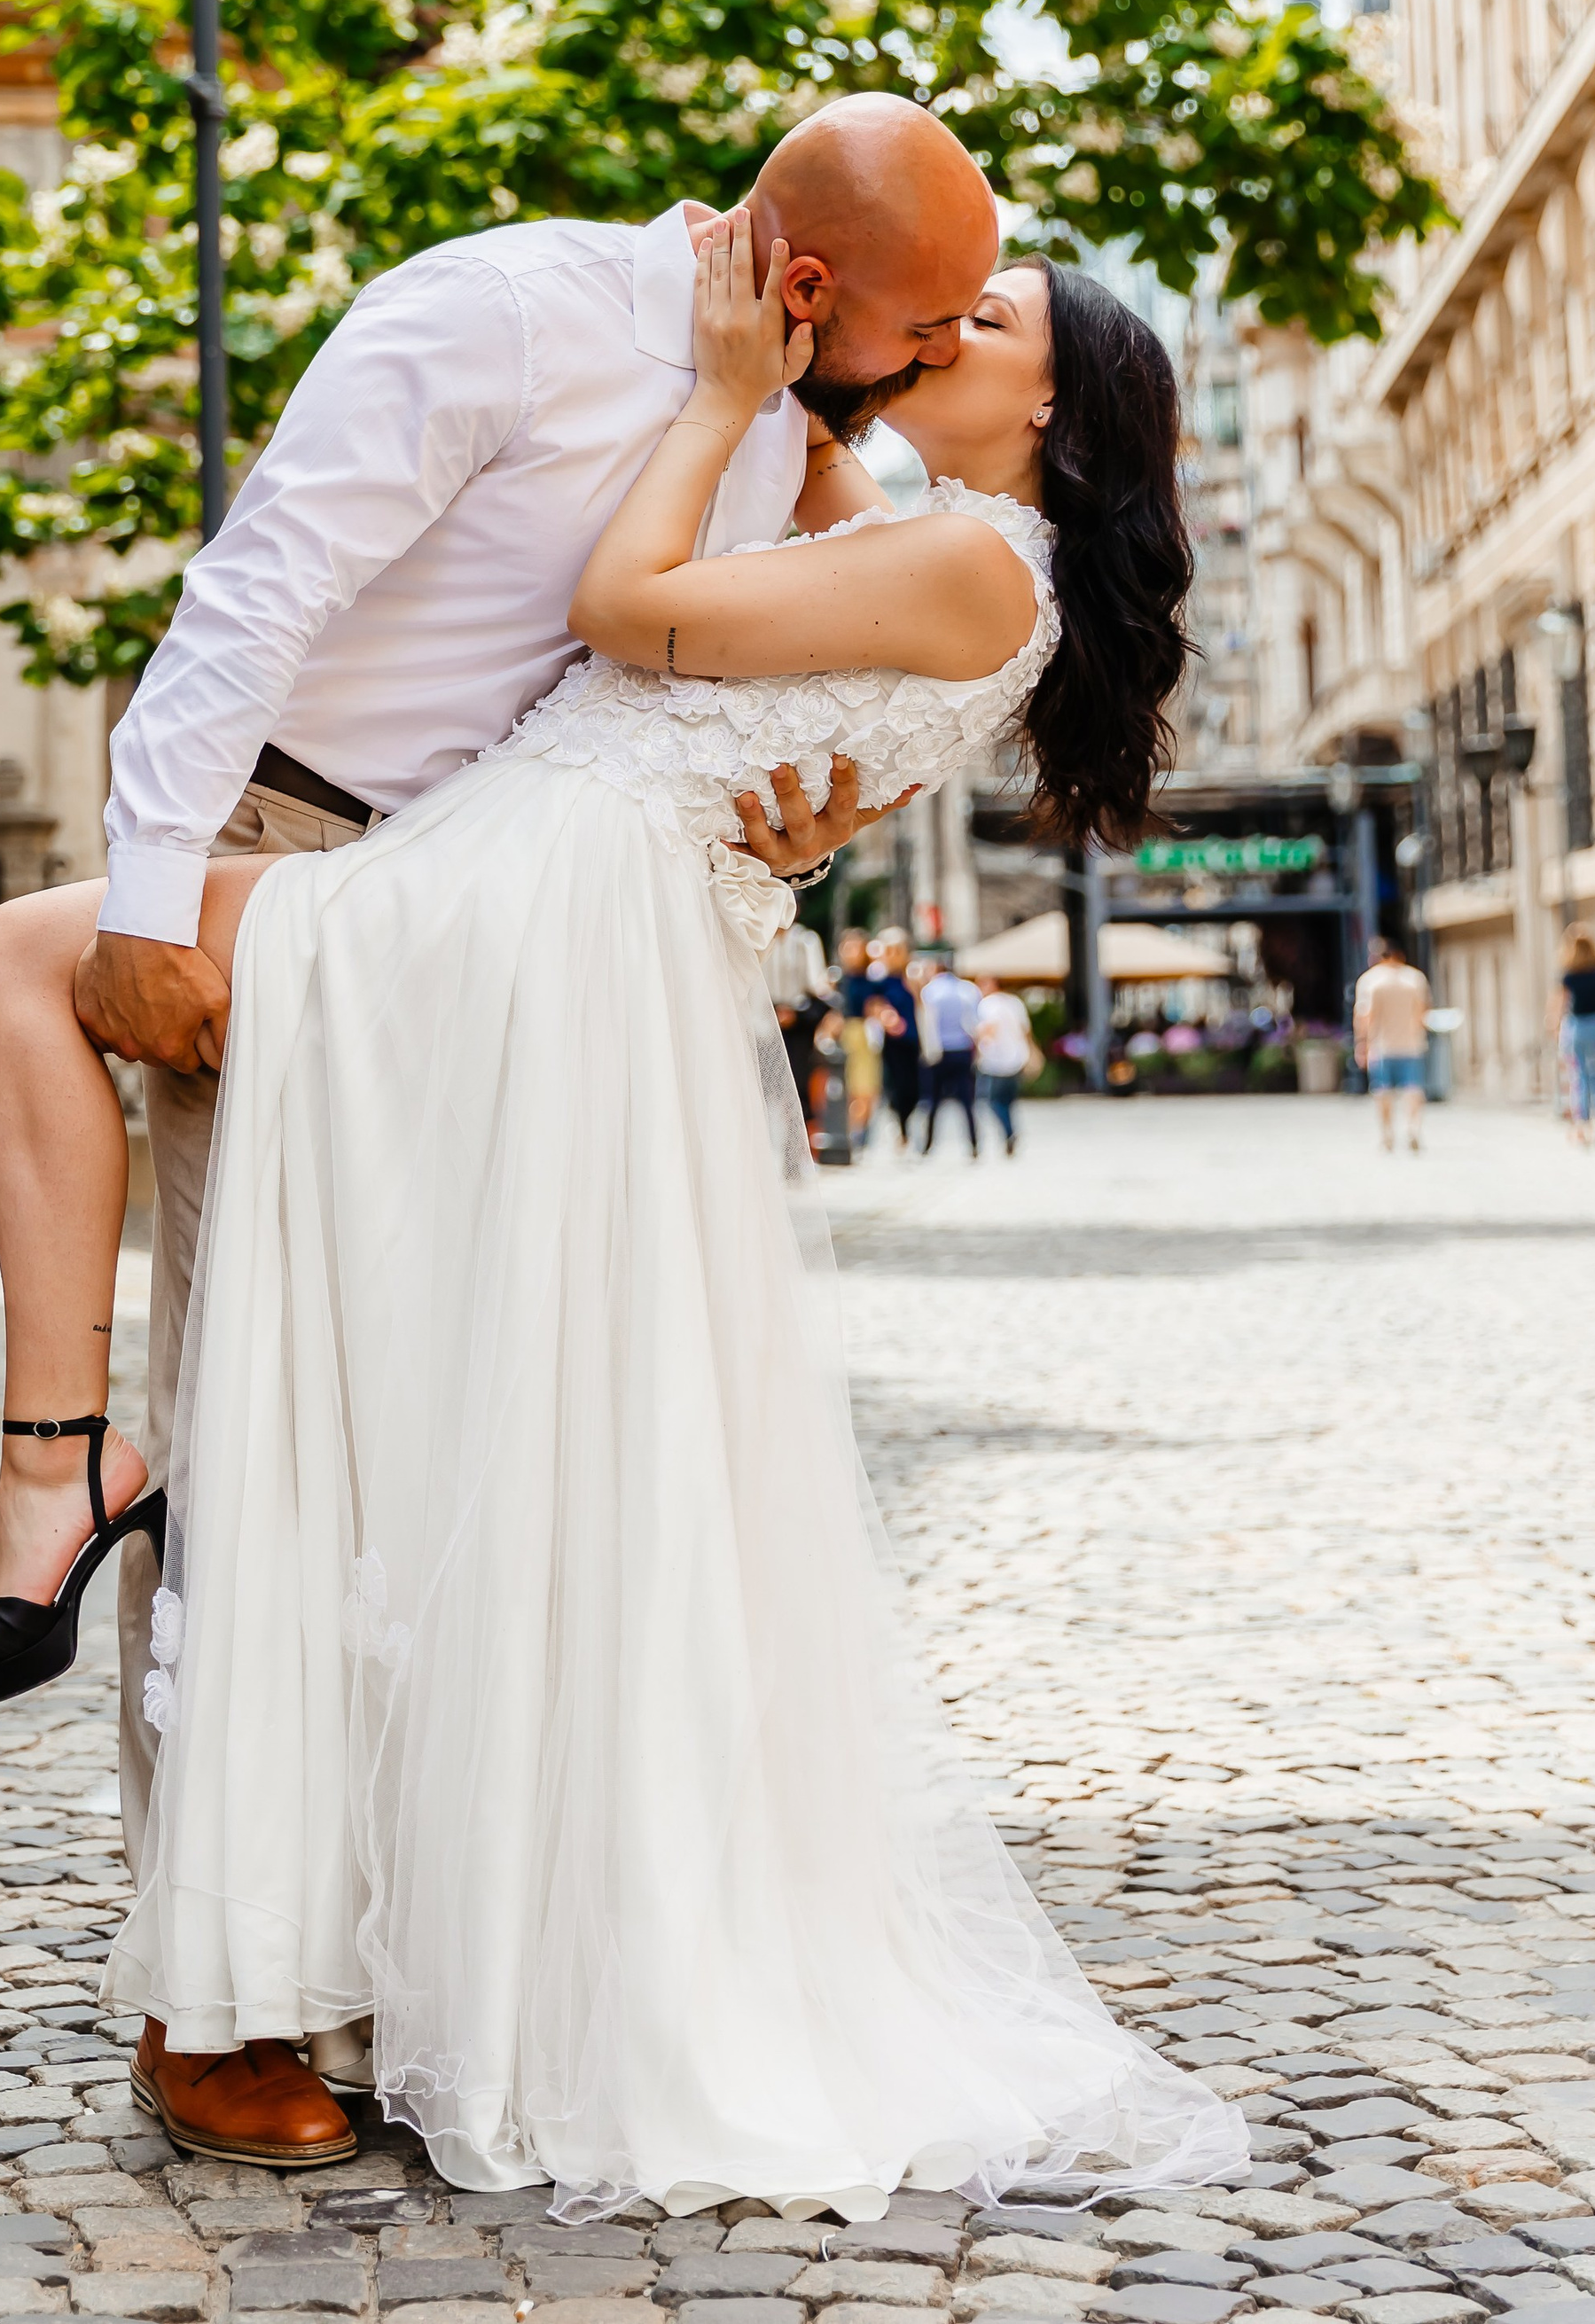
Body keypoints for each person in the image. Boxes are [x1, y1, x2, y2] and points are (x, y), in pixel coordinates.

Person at [90, 219, 1241, 2216]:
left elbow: (635, 607)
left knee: (240, 1265)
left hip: (535, 915)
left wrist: (724, 395)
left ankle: (59, 1504)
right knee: (434, 1415)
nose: (932, 337)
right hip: (558, 917)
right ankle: (280, 1921)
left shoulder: (971, 551)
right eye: (931, 301)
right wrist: (793, 434)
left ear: (1048, 405)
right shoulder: (942, 535)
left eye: (982, 326)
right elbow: (797, 599)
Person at [0, 96, 988, 2156]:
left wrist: (798, 811)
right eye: (923, 319)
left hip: (496, 949)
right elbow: (257, 587)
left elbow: (689, 698)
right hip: (285, 858)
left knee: (443, 1458)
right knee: (257, 1415)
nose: (940, 359)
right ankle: (214, 1997)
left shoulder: (783, 441)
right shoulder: (497, 309)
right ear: (802, 286)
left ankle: (413, 1968)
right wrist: (152, 890)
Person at [1352, 936, 1431, 1150]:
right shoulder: (1415, 978)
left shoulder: (1370, 981)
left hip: (1381, 1045)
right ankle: (1412, 1128)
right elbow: (1423, 1012)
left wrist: (1362, 1045)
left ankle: (1387, 1133)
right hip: (1412, 1044)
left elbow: (1364, 1017)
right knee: (1413, 1089)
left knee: (1382, 1090)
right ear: (1399, 955)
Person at [766, 905, 838, 1126]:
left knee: (798, 1083)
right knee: (767, 1086)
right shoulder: (760, 937)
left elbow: (818, 987)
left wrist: (794, 1014)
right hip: (764, 1020)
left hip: (799, 1020)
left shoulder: (805, 940)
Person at [915, 952, 984, 1155]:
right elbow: (975, 1023)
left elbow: (926, 1025)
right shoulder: (968, 990)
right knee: (967, 1102)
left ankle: (927, 1145)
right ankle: (973, 1143)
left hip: (939, 1051)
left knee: (933, 1101)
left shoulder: (929, 992)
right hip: (962, 1050)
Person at [1549, 926, 1595, 1144]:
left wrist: (1555, 1027)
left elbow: (1559, 1004)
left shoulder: (1569, 975)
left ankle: (1582, 1127)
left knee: (1580, 1077)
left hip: (1576, 1027)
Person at [867, 926, 924, 1150]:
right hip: (891, 1041)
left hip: (913, 1038)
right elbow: (872, 1004)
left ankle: (906, 1124)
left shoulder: (913, 974)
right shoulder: (879, 978)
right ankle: (900, 1128)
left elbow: (923, 1004)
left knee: (914, 1089)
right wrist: (885, 1016)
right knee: (897, 1086)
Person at [973, 971, 1037, 1156]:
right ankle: (1010, 1133)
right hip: (1017, 1057)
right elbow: (1025, 1030)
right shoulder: (1014, 1002)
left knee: (993, 1101)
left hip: (996, 1060)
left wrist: (978, 1046)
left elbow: (989, 1030)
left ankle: (1009, 1133)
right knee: (1008, 1100)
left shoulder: (988, 1004)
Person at [836, 922, 884, 1151]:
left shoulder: (872, 980)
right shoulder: (838, 979)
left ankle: (857, 1134)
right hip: (846, 1035)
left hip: (864, 1035)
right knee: (849, 1090)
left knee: (866, 1090)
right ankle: (849, 1133)